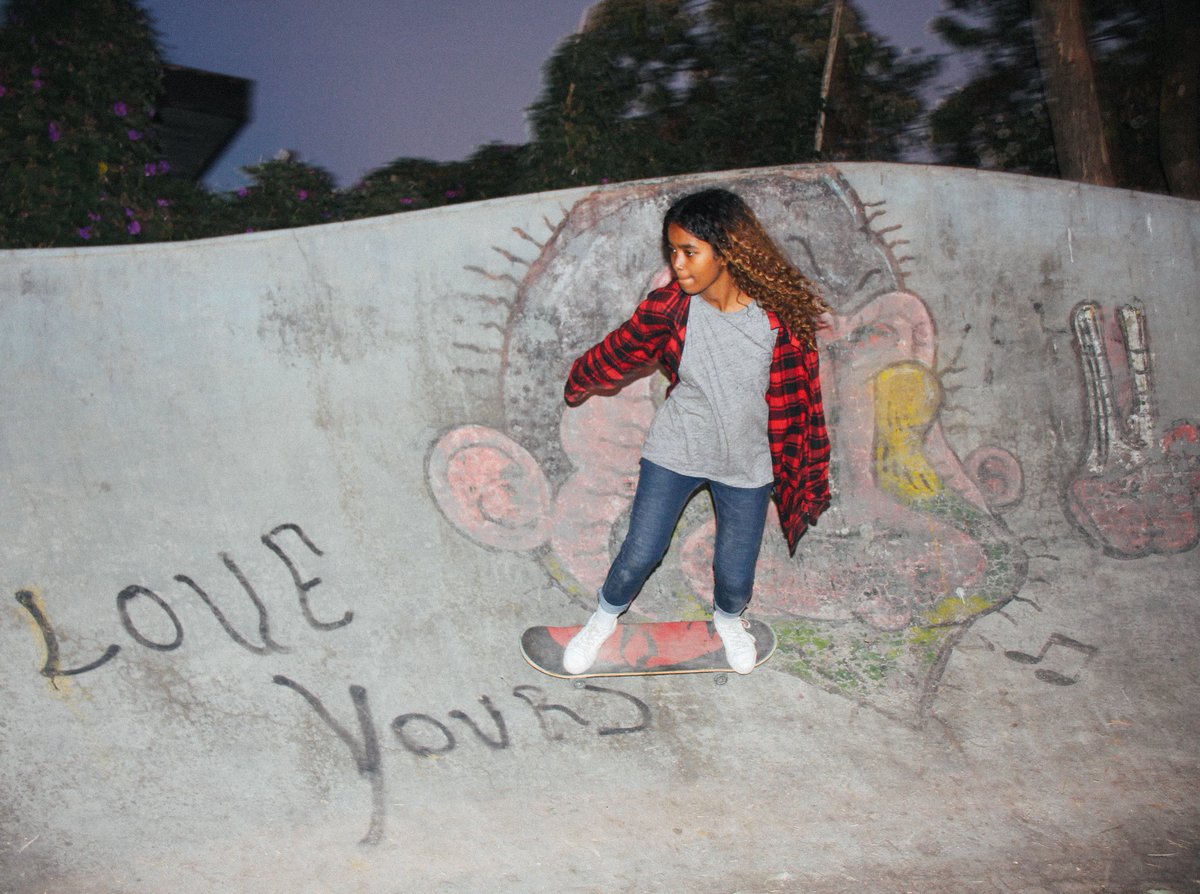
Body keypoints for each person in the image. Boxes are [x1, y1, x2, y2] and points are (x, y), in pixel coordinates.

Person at [561, 187, 831, 675]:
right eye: (673, 251)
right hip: (676, 450)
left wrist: (805, 470)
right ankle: (603, 619)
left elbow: (804, 405)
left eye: (689, 252)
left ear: (727, 252)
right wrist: (580, 379)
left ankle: (729, 621)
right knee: (641, 550)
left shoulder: (779, 321)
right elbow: (622, 348)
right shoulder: (672, 308)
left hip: (746, 462)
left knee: (733, 571)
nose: (678, 264)